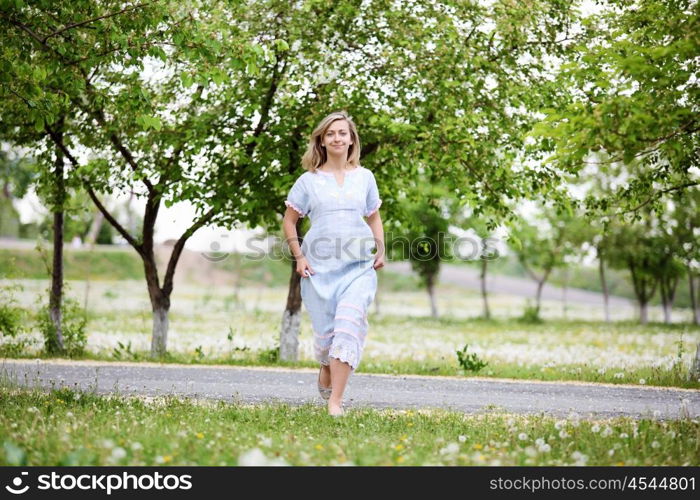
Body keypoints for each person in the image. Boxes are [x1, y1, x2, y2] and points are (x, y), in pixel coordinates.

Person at [282, 111, 385, 417]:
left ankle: (335, 403)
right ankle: (327, 364)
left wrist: (380, 249)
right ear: (322, 141)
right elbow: (290, 222)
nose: (337, 138)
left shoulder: (365, 177)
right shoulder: (308, 181)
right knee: (329, 339)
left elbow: (374, 216)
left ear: (352, 139)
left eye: (343, 133)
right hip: (319, 270)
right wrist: (299, 257)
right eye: (331, 134)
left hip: (359, 267)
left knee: (348, 327)